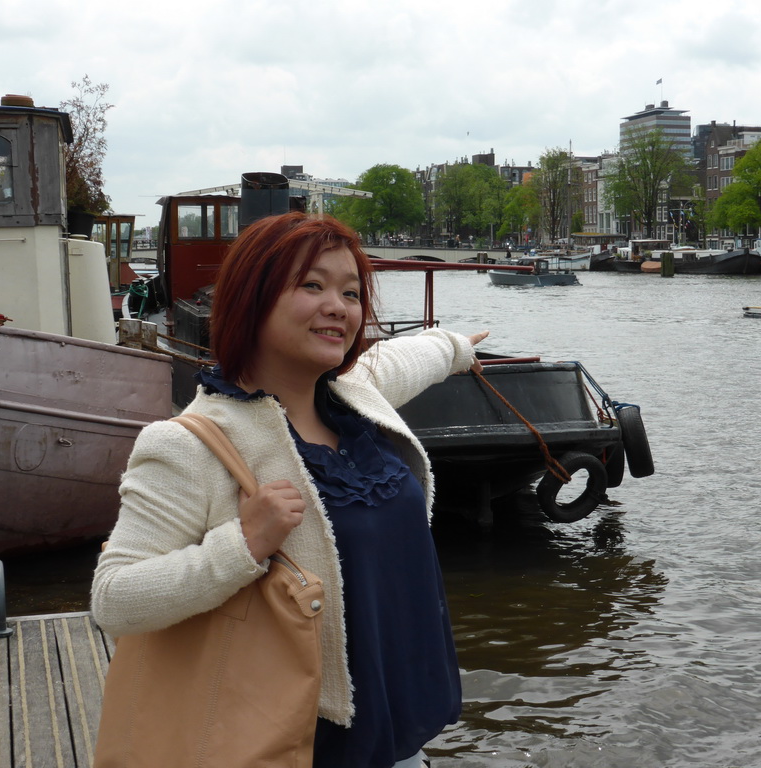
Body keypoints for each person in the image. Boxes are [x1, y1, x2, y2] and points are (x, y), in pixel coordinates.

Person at [92, 212, 488, 768]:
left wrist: (456, 348)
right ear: (253, 298)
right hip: (300, 742)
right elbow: (114, 599)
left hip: (399, 730)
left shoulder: (354, 396)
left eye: (351, 292)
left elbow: (401, 360)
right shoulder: (188, 445)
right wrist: (243, 545)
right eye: (312, 285)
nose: (339, 306)